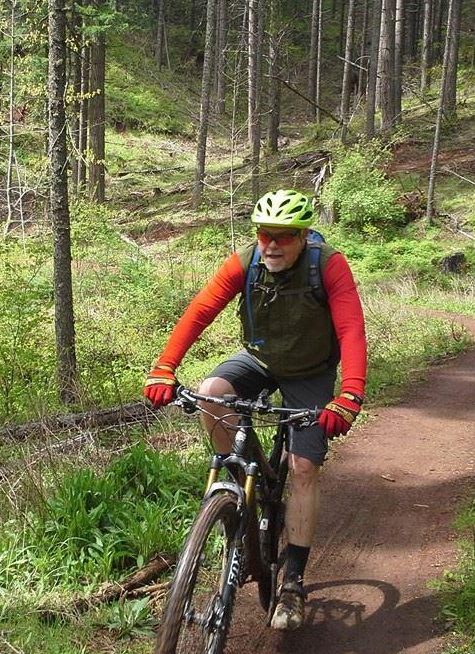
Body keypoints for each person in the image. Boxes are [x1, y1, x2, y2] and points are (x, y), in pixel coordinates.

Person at [143, 189, 368, 631]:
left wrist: (350, 395)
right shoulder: (245, 262)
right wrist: (164, 367)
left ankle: (293, 583)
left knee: (303, 467)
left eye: (283, 236)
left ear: (302, 237)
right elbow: (200, 311)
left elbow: (351, 329)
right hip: (260, 359)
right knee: (210, 390)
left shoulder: (329, 265)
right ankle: (237, 486)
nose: (271, 244)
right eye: (265, 234)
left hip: (310, 371)